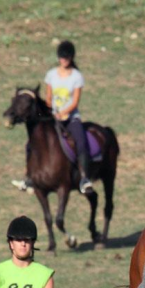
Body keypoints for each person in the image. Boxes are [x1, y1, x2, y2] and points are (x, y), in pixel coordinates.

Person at [46, 40, 93, 195]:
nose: (63, 60)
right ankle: (29, 176)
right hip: (53, 116)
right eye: (61, 57)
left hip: (71, 117)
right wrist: (52, 112)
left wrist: (64, 112)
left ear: (71, 58)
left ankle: (85, 177)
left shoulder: (77, 77)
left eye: (66, 57)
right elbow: (48, 97)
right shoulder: (51, 75)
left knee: (81, 141)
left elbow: (75, 101)